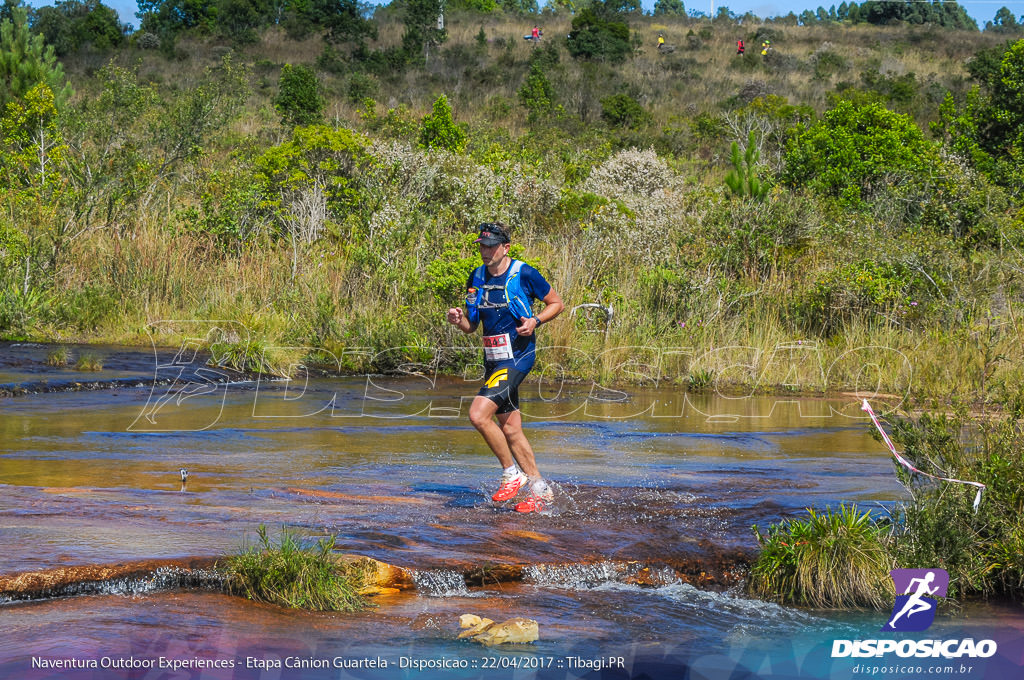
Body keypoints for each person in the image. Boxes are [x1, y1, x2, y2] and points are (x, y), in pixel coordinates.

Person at [446, 222, 564, 514]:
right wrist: (458, 319)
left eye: (491, 246)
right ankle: (540, 491)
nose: (485, 252)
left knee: (477, 414)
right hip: (493, 359)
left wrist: (536, 321)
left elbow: (556, 303)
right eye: (482, 246)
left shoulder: (523, 273)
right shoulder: (476, 276)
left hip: (518, 356)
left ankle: (512, 474)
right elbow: (471, 326)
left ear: (505, 247)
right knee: (511, 428)